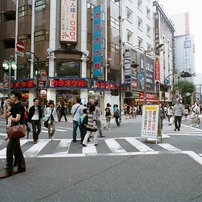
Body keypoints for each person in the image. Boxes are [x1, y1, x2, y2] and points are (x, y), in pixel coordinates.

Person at [0, 91, 26, 179]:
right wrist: (4, 106)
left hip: (16, 129)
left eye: (12, 95)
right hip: (14, 129)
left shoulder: (19, 106)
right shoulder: (14, 106)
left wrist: (12, 118)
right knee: (17, 149)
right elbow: (6, 116)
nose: (11, 97)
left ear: (17, 97)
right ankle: (22, 167)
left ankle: (9, 171)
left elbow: (18, 119)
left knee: (9, 149)